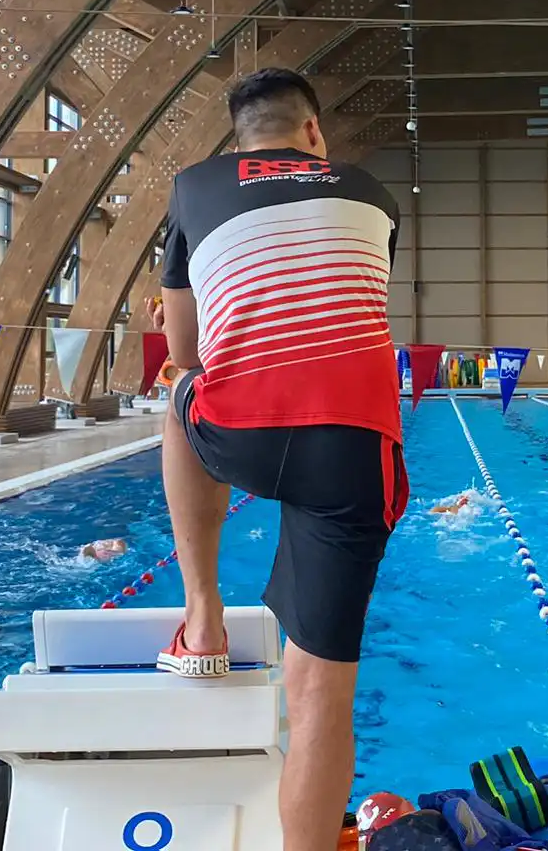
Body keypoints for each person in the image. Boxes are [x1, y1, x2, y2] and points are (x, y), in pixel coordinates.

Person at [156, 68, 406, 851]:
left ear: (238, 141)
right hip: (353, 448)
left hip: (241, 430)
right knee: (320, 695)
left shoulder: (193, 187)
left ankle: (203, 622)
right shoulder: (373, 194)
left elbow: (184, 349)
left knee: (178, 394)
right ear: (314, 131)